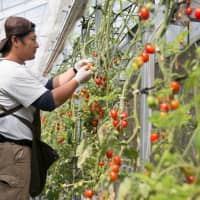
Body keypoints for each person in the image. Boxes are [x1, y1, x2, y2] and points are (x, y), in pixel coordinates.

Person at [0, 16, 92, 200]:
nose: (38, 45)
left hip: (13, 150)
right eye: (33, 39)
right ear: (15, 41)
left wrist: (74, 70)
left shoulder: (17, 69)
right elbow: (48, 101)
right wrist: (77, 81)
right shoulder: (10, 73)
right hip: (11, 152)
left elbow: (50, 85)